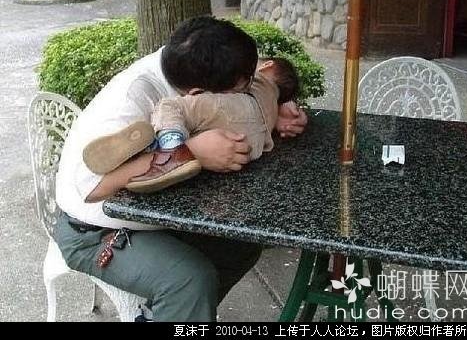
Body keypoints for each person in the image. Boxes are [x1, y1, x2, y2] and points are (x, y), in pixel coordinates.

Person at [53, 16, 308, 322]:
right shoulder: (132, 99)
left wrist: (275, 108)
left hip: (154, 214)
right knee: (189, 280)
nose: (248, 90)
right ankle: (178, 308)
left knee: (239, 246)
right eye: (240, 91)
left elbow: (243, 92)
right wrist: (192, 151)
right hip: (92, 230)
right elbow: (90, 188)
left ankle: (162, 315)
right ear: (199, 93)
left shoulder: (191, 60)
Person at [83, 57, 299, 193]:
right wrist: (284, 104)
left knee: (171, 108)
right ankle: (156, 148)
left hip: (236, 108)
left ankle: (170, 148)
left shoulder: (255, 74)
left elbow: (237, 77)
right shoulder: (273, 104)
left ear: (267, 65)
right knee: (201, 133)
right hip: (254, 144)